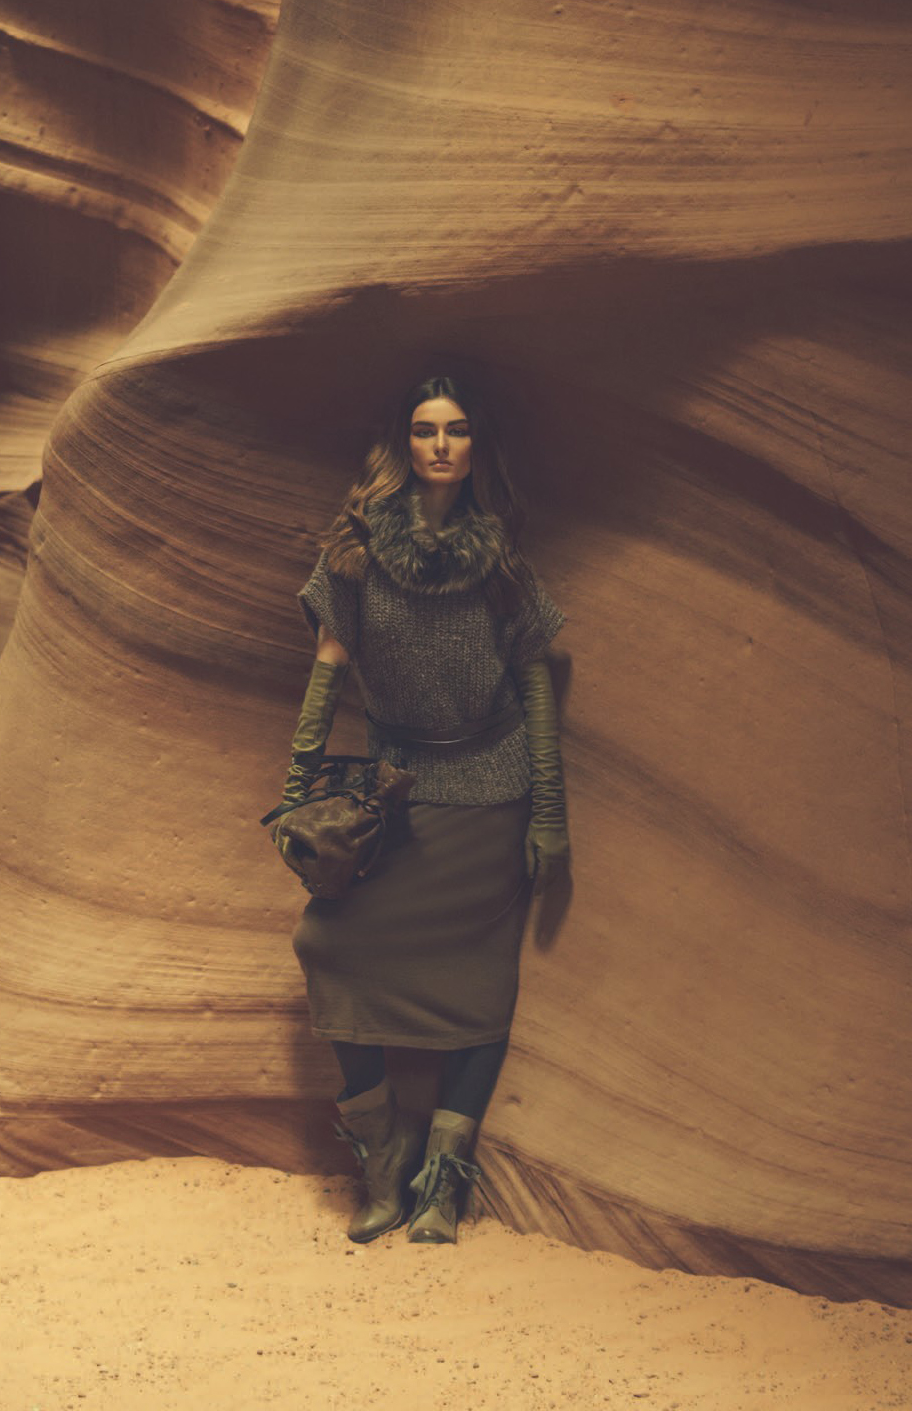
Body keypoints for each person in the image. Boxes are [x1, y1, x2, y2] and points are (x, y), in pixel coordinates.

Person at [270, 371, 568, 1245]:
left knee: (481, 980)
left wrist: (549, 813)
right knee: (327, 943)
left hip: (493, 793)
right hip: (398, 791)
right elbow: (326, 674)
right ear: (403, 444)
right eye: (426, 429)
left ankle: (442, 1180)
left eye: (457, 429)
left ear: (475, 447)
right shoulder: (354, 552)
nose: (441, 444)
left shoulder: (502, 559)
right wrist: (294, 793)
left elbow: (536, 686)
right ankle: (383, 1152)